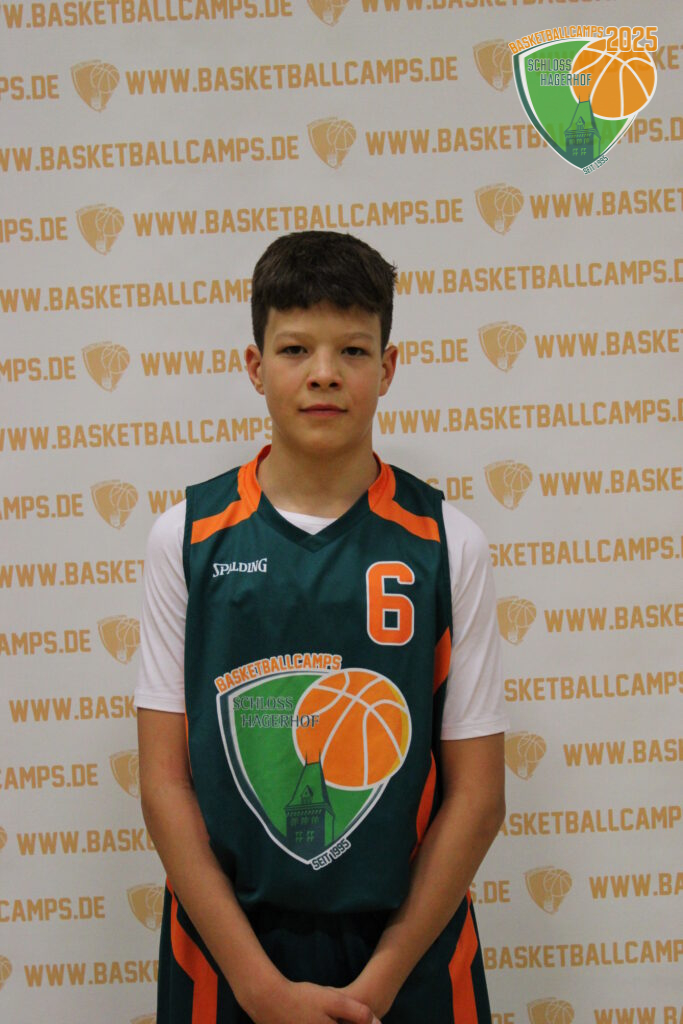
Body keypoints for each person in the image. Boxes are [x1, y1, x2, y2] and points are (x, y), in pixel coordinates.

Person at [135, 230, 508, 1024]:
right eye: (295, 348)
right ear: (254, 365)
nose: (324, 373)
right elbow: (165, 784)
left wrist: (377, 987)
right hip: (229, 952)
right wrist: (261, 989)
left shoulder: (448, 542)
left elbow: (477, 798)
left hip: (408, 946)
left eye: (353, 350)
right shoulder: (185, 537)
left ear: (388, 367)